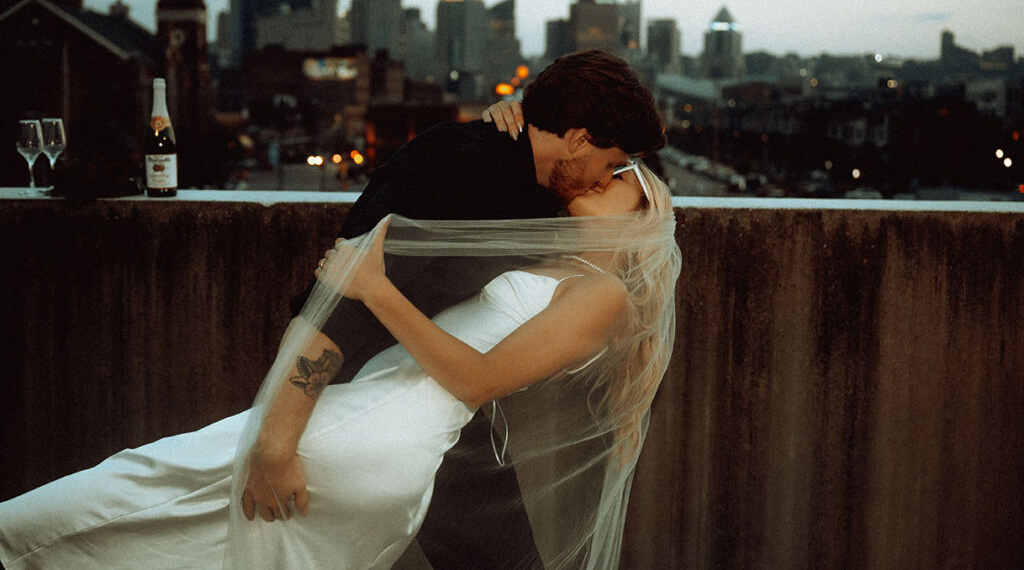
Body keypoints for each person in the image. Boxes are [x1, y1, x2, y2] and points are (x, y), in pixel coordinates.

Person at [0, 160, 680, 570]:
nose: (605, 173)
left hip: (369, 435)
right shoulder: (552, 265)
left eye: (624, 177)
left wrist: (374, 288)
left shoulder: (604, 293)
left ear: (642, 219)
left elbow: (478, 380)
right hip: (381, 449)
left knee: (118, 494)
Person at [261, 49, 666, 568]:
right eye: (609, 165)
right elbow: (331, 310)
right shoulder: (455, 166)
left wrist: (522, 110)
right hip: (358, 406)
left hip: (447, 419)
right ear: (580, 139)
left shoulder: (550, 202)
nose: (600, 180)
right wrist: (276, 443)